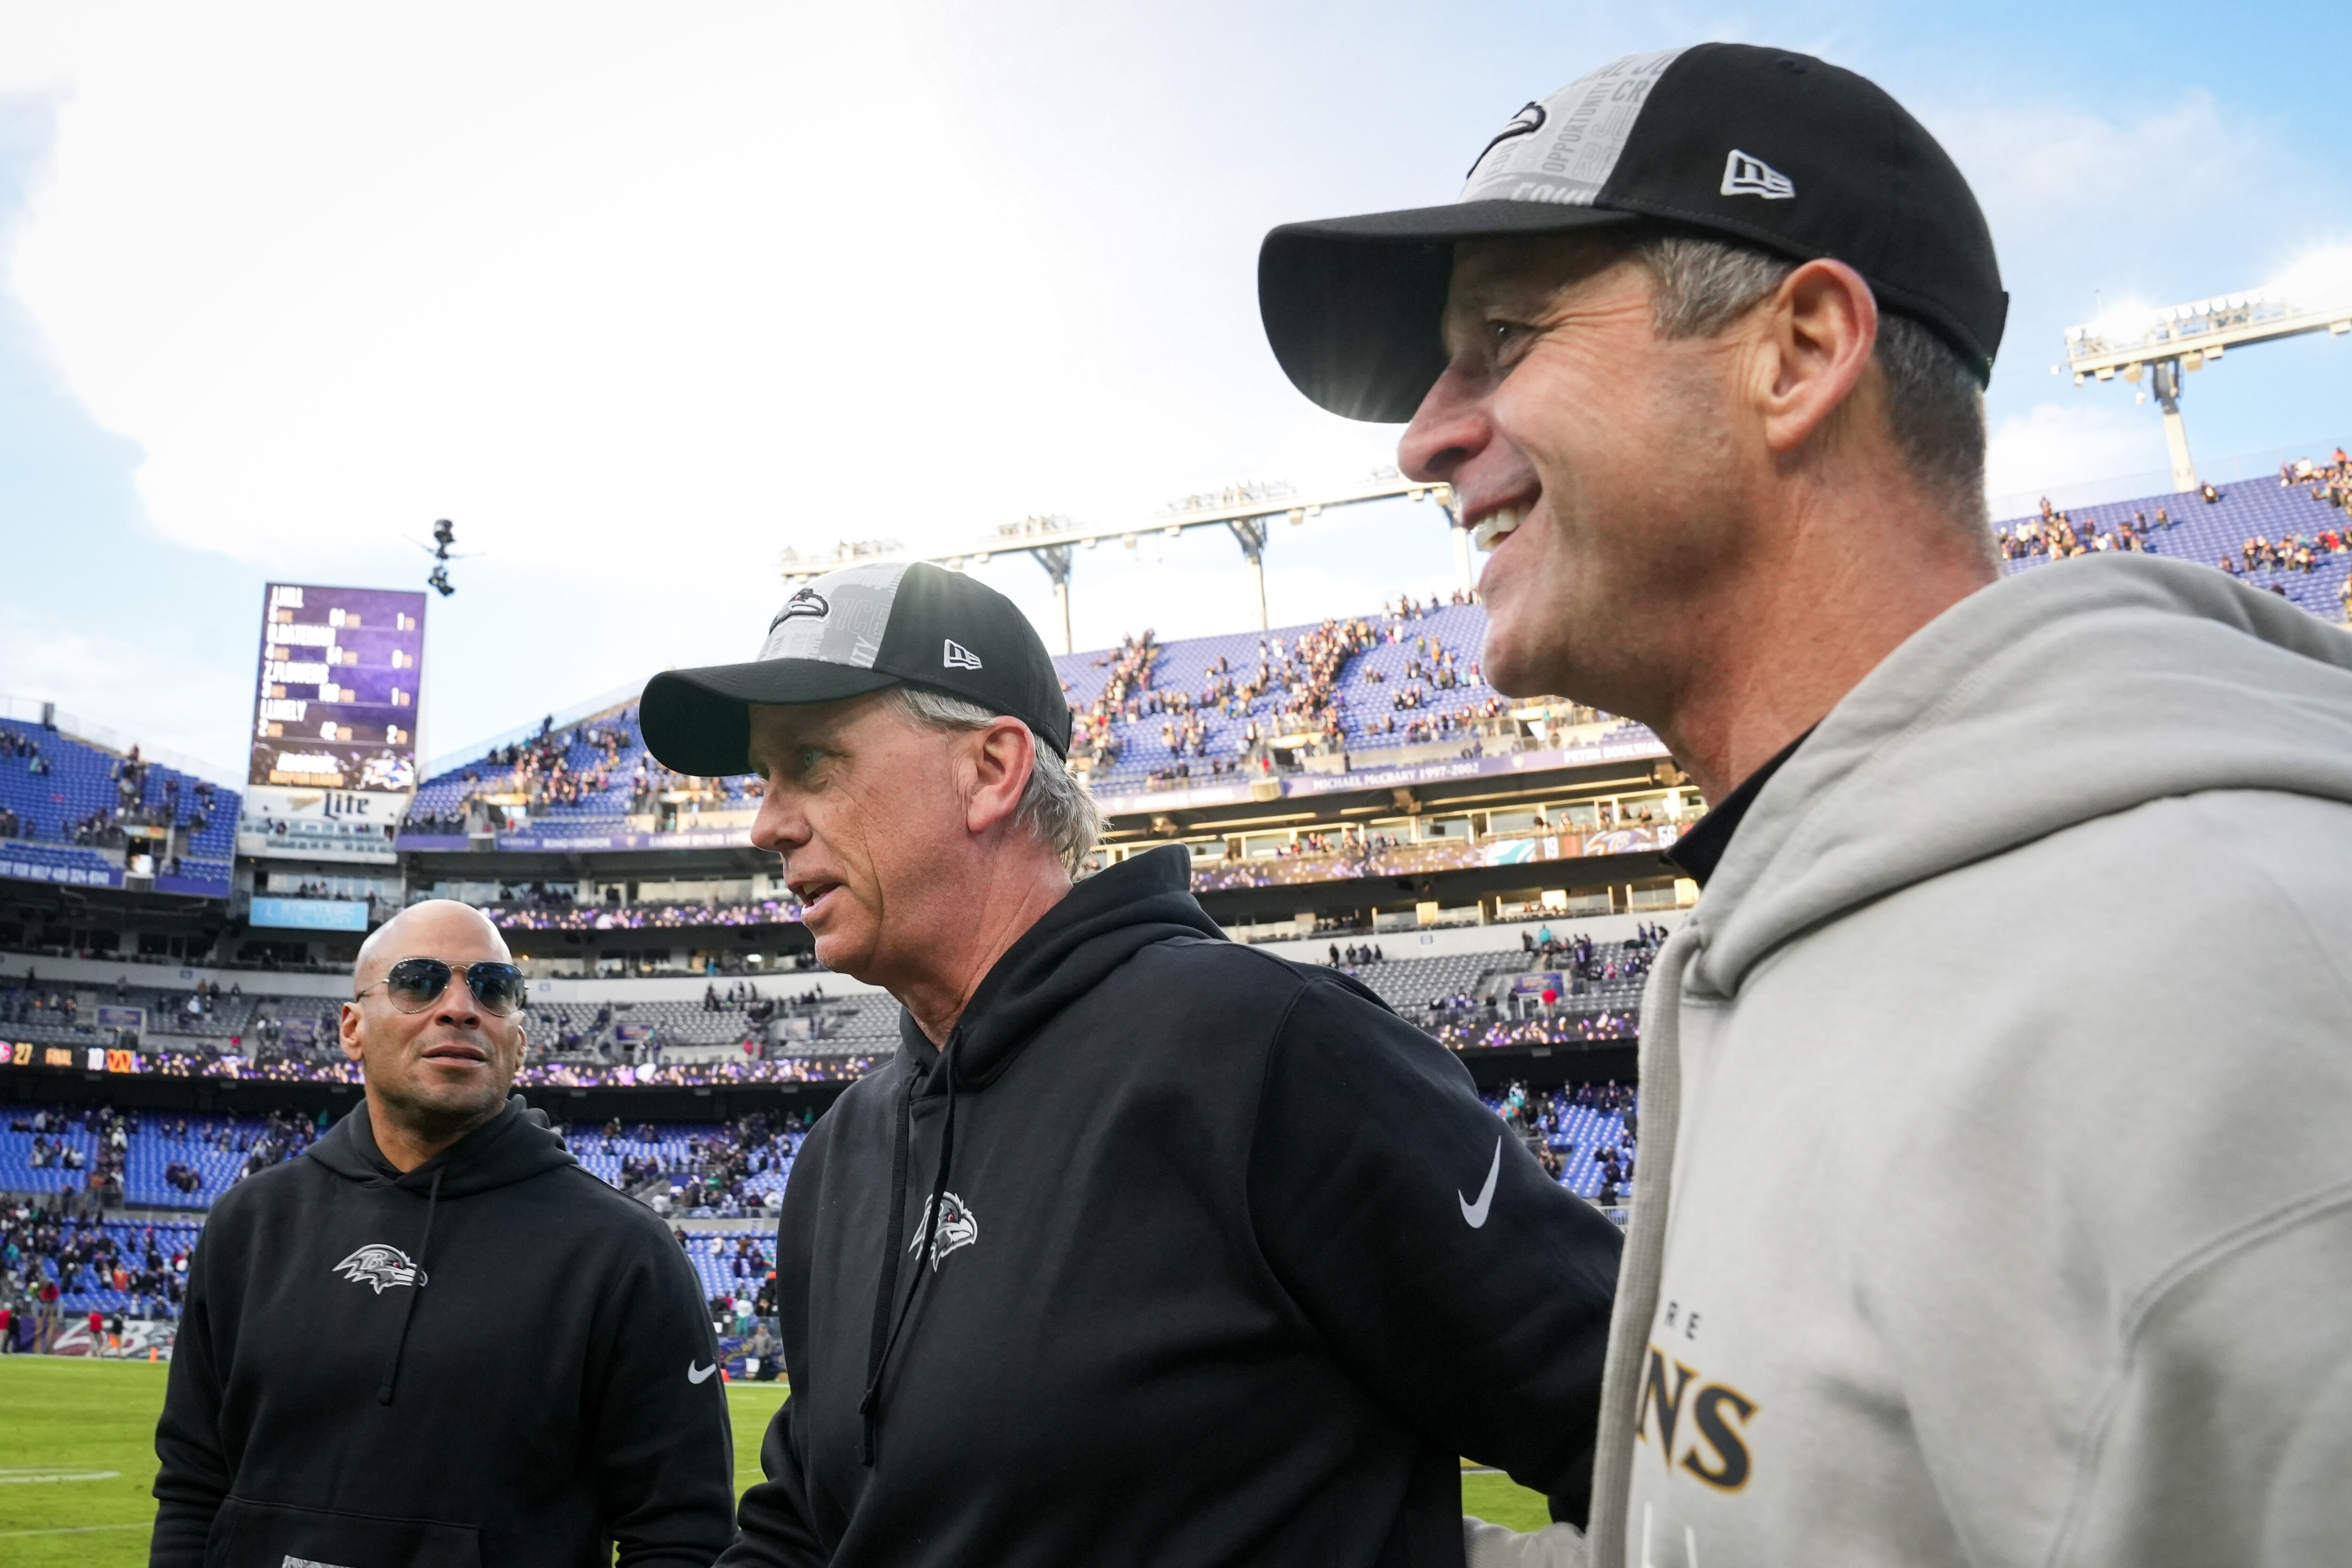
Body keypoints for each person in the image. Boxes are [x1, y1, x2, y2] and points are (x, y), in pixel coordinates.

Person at [1260, 40, 2352, 1568]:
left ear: (1800, 352)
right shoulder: (1806, 932)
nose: (1423, 438)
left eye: (1503, 337)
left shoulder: (2233, 981)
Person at [637, 562, 1621, 1567]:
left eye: (813, 761)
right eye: (763, 776)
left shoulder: (1269, 1050)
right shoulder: (842, 1154)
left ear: (991, 769)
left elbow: (1634, 1417)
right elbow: (807, 1528)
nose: (767, 823)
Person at [151, 900, 735, 1567]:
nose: (460, 1008)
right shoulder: (248, 1225)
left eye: (493, 988)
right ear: (352, 1028)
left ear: (519, 1040)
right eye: (419, 981)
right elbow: (193, 1487)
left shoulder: (625, 1253)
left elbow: (681, 1533)